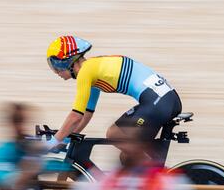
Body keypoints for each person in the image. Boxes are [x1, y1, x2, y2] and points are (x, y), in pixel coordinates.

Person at [45, 36, 182, 155]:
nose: (56, 71)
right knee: (126, 159)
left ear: (69, 61)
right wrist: (67, 137)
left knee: (114, 134)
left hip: (159, 101)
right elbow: (87, 112)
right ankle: (152, 171)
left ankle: (157, 175)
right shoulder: (91, 70)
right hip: (163, 99)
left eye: (56, 64)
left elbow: (76, 116)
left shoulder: (85, 72)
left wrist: (54, 141)